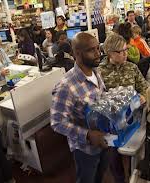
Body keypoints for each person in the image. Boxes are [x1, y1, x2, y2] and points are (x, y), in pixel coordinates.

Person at [51, 32, 109, 183]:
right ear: (77, 53)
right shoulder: (66, 86)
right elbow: (57, 122)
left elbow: (101, 98)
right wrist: (88, 134)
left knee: (100, 176)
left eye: (98, 48)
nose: (98, 54)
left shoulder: (96, 72)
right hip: (85, 149)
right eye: (92, 50)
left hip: (105, 139)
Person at [98, 33, 148, 183]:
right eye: (122, 51)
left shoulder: (132, 68)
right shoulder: (100, 72)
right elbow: (97, 100)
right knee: (113, 154)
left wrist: (143, 96)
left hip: (133, 119)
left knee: (136, 152)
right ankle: (120, 179)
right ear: (110, 53)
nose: (126, 53)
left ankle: (135, 174)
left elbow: (143, 87)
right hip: (111, 123)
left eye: (127, 49)